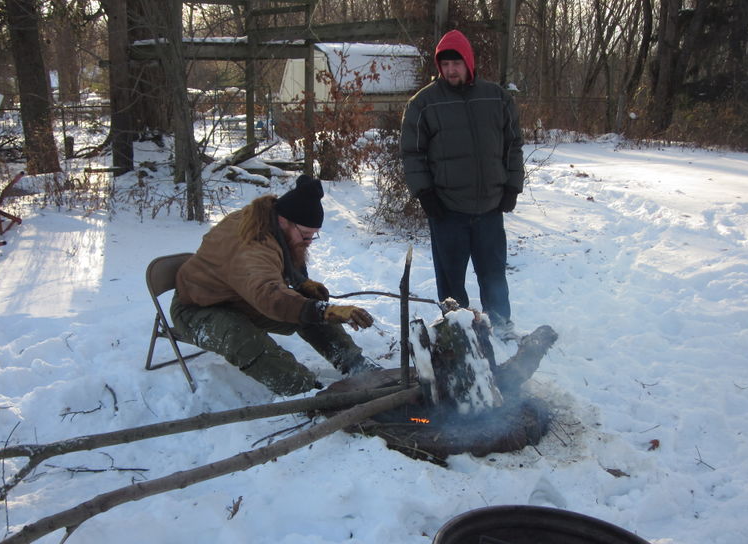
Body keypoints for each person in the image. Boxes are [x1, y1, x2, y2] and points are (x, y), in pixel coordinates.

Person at [171, 174, 379, 396]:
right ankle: (305, 392)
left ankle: (355, 365)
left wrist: (302, 283)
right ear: (283, 221)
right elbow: (268, 294)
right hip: (198, 308)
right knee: (244, 337)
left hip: (238, 298)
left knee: (308, 308)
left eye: (313, 237)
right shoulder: (252, 243)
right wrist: (323, 310)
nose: (308, 243)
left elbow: (287, 258)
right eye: (306, 236)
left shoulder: (269, 221)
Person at [400, 29, 524, 338]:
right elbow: (412, 152)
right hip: (447, 208)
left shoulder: (497, 97)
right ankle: (459, 328)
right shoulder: (424, 104)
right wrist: (425, 193)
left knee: (493, 272)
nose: (451, 70)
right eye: (445, 64)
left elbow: (513, 145)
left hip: (490, 205)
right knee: (451, 277)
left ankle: (500, 322)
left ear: (469, 62)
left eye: (457, 63)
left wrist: (512, 186)